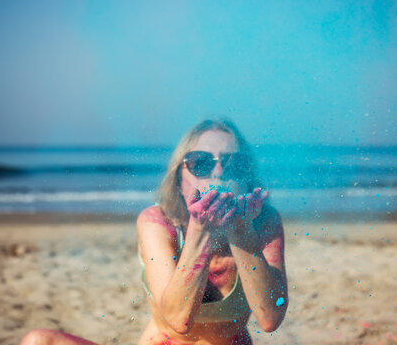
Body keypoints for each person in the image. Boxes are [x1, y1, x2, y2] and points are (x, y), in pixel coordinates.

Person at [19, 118, 287, 345]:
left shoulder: (263, 224)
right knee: (39, 340)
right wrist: (200, 231)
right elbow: (178, 319)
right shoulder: (158, 223)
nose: (217, 172)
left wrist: (240, 233)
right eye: (200, 163)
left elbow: (269, 319)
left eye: (232, 163)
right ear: (179, 177)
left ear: (247, 174)